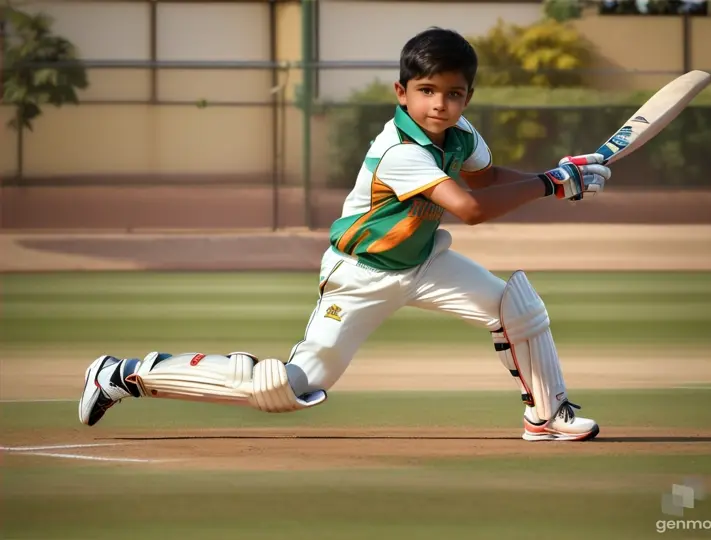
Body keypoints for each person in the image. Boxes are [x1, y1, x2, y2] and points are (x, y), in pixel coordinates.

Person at [80, 27, 611, 442]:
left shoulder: (461, 135)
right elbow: (470, 208)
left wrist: (563, 175)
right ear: (401, 92)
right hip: (360, 276)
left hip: (424, 262)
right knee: (286, 387)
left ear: (468, 97)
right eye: (426, 91)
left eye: (453, 94)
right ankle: (125, 374)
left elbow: (487, 178)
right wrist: (552, 184)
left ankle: (547, 416)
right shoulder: (400, 153)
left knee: (515, 305)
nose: (439, 105)